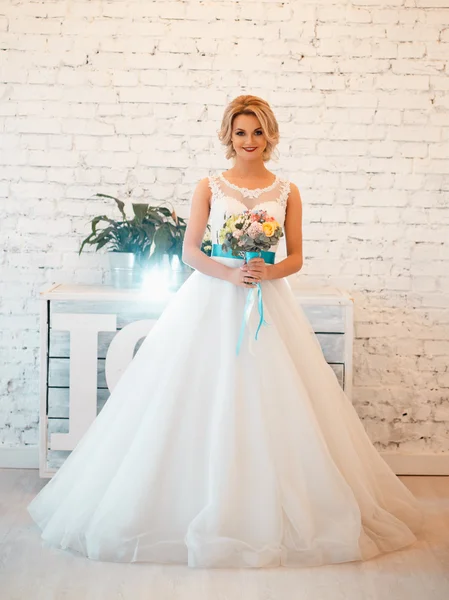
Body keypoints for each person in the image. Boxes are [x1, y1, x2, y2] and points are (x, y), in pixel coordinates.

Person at [27, 95, 424, 568]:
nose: (249, 141)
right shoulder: (209, 186)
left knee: (274, 395)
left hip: (268, 301)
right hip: (213, 297)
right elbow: (190, 252)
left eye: (258, 132)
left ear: (269, 135)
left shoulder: (287, 190)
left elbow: (296, 255)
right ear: (228, 136)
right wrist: (231, 273)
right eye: (241, 132)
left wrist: (265, 273)